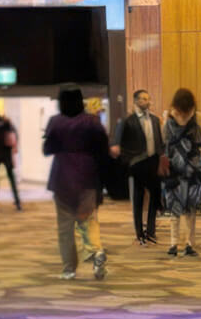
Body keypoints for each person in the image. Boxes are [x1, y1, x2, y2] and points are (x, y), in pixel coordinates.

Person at [43, 84, 110, 280]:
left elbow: (48, 149)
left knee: (65, 227)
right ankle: (96, 252)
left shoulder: (55, 122)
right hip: (87, 178)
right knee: (89, 220)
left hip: (62, 179)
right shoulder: (92, 122)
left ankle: (69, 268)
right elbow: (102, 151)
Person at [111, 89, 164, 245]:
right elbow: (119, 143)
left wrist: (161, 157)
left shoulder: (155, 120)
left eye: (148, 98)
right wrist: (129, 161)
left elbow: (159, 141)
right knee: (138, 198)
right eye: (142, 99)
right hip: (137, 163)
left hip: (153, 162)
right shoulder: (128, 121)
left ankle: (151, 231)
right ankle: (139, 232)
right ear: (135, 101)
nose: (146, 101)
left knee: (155, 197)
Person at [162, 88, 201, 257]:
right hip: (190, 171)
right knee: (189, 211)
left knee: (176, 209)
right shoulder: (194, 125)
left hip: (175, 170)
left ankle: (174, 244)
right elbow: (197, 151)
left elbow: (165, 149)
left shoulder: (169, 123)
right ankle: (188, 244)